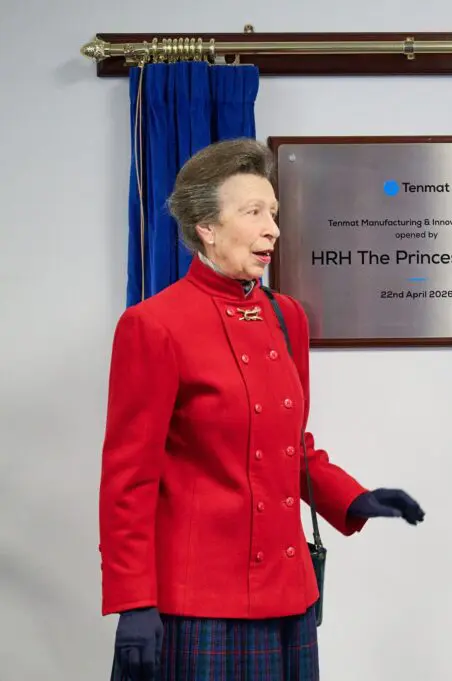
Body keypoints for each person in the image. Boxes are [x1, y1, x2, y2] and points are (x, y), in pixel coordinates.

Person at [99, 137, 425, 681]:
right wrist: (133, 599)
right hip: (197, 603)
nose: (272, 228)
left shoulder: (286, 316)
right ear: (207, 226)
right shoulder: (153, 325)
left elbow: (290, 447)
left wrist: (355, 498)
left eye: (273, 213)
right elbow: (128, 480)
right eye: (253, 212)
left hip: (287, 594)